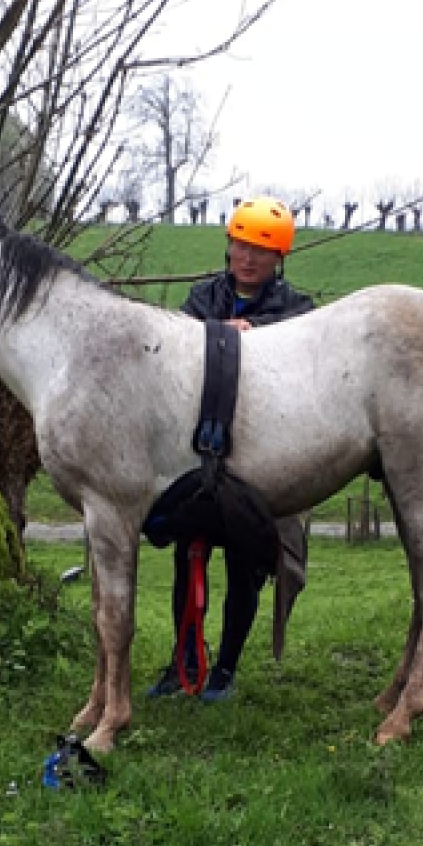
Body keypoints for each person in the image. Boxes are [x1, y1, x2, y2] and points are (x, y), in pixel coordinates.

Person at [148, 196, 316, 701]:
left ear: (278, 258)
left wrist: (255, 337)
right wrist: (218, 335)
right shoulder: (202, 299)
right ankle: (184, 661)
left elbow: (302, 365)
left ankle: (224, 668)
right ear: (229, 246)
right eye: (242, 246)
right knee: (187, 557)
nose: (249, 258)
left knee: (246, 565)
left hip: (260, 459)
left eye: (261, 251)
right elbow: (175, 353)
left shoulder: (298, 311)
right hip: (200, 455)